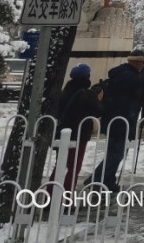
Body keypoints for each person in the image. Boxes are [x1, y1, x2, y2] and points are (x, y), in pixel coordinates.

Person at [90, 49, 144, 192]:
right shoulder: (126, 75)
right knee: (116, 153)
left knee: (117, 153)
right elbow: (139, 82)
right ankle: (97, 179)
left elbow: (141, 88)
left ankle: (107, 180)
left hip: (121, 120)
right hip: (119, 121)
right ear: (139, 63)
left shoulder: (124, 73)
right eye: (142, 63)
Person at [49, 64, 102, 194]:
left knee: (60, 165)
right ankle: (67, 198)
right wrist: (99, 99)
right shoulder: (86, 94)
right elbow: (99, 110)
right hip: (79, 135)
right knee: (73, 168)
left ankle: (50, 194)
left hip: (63, 133)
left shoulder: (65, 92)